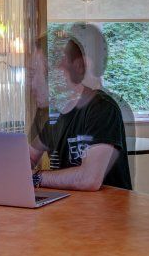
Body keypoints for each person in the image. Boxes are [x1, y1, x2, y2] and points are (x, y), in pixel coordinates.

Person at [35, 22, 133, 191]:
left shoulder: (102, 108)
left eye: (38, 73)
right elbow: (28, 156)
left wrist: (35, 177)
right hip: (72, 210)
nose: (33, 83)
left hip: (106, 214)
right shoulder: (56, 115)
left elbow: (89, 179)